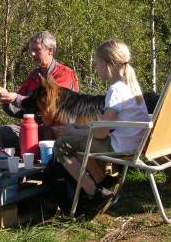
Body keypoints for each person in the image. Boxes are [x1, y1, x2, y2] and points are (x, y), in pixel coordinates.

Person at [53, 38, 149, 215]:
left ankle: (95, 194)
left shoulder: (116, 90)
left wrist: (75, 131)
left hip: (120, 147)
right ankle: (104, 183)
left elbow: (101, 132)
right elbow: (106, 125)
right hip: (134, 143)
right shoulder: (132, 86)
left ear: (106, 64)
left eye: (97, 64)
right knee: (79, 140)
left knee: (61, 146)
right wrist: (79, 130)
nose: (97, 68)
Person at [0, 31, 79, 150]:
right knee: (5, 132)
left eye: (37, 50)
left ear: (50, 50)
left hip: (58, 128)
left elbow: (51, 104)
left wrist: (16, 98)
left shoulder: (65, 74)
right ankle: (31, 152)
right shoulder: (34, 76)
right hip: (35, 127)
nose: (33, 54)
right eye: (31, 50)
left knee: (51, 132)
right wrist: (6, 99)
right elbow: (22, 109)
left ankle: (35, 151)